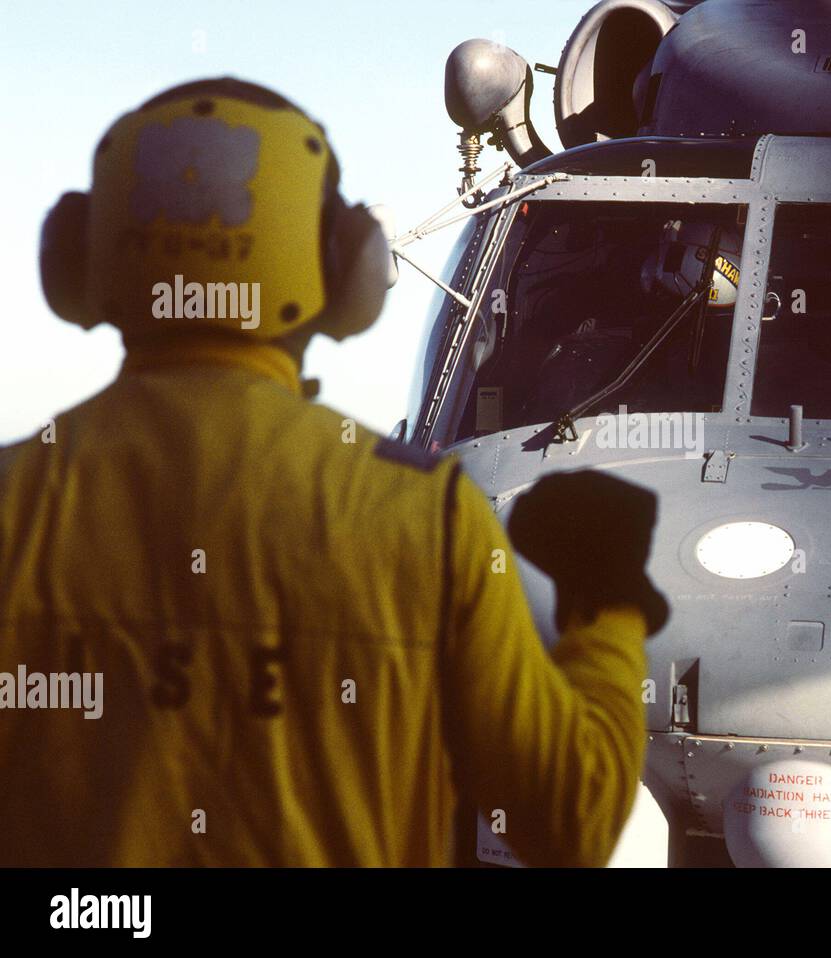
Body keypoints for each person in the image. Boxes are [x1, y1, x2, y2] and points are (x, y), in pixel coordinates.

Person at [0, 77, 668, 867]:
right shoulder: (424, 514)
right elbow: (570, 819)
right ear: (339, 265)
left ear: (79, 256)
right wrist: (609, 603)